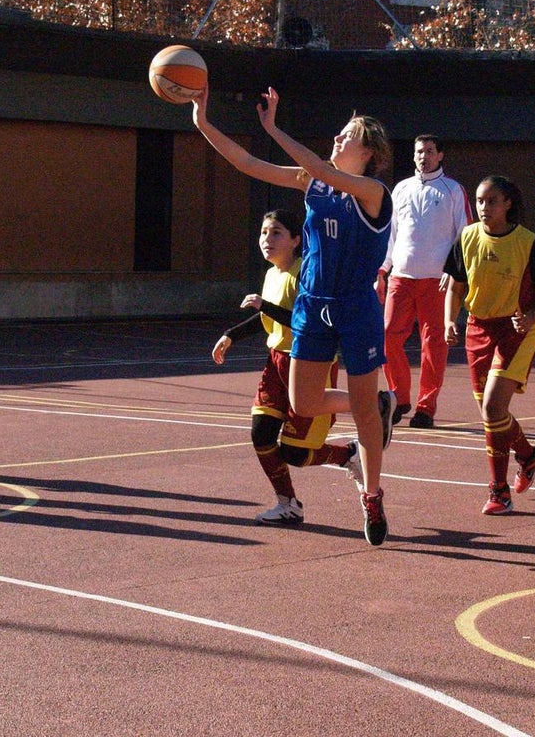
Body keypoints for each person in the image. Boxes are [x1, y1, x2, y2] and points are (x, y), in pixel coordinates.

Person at [191, 86, 396, 546]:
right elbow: (248, 164)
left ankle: (373, 495)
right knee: (303, 404)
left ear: (369, 151)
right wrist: (203, 122)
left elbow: (322, 167)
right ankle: (378, 406)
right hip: (313, 305)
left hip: (356, 307)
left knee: (361, 412)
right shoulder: (313, 182)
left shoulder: (372, 192)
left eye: (348, 137)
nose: (338, 140)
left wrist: (274, 128)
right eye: (339, 134)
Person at [212, 209, 357, 525]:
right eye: (263, 232)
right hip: (276, 361)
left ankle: (348, 454)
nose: (267, 239)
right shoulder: (271, 274)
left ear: (295, 239)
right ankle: (288, 503)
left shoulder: (306, 273)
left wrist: (265, 307)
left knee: (295, 453)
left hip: (308, 363)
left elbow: (303, 323)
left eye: (276, 232)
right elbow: (269, 317)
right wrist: (231, 335)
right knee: (261, 434)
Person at [443, 175, 535, 516]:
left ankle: (499, 491)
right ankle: (528, 455)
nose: (484, 207)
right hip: (477, 328)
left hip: (515, 330)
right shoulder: (466, 237)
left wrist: (533, 316)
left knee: (493, 408)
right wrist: (450, 320)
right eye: (480, 201)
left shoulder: (527, 241)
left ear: (508, 204)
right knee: (491, 414)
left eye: (491, 201)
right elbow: (455, 285)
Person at [377, 134, 471, 429]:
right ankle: (399, 397)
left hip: (437, 281)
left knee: (434, 344)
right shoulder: (401, 189)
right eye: (419, 151)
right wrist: (382, 270)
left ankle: (425, 408)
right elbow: (389, 233)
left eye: (430, 151)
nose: (423, 156)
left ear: (440, 155)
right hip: (401, 277)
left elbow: (465, 235)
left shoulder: (453, 190)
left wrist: (454, 271)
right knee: (387, 336)